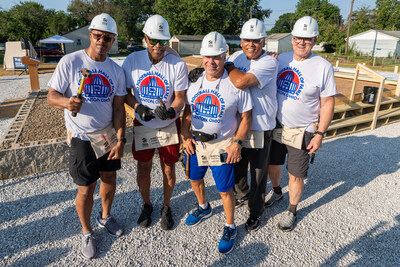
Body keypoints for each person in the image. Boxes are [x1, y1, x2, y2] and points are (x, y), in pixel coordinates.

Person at [47, 13, 126, 259]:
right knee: (85, 187)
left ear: (113, 40)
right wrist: (66, 103)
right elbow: (51, 96)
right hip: (82, 136)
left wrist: (121, 138)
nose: (102, 40)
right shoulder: (70, 62)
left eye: (108, 37)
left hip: (107, 134)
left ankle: (105, 217)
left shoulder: (115, 70)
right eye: (98, 35)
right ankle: (86, 231)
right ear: (90, 35)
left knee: (109, 177)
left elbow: (118, 108)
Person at [181, 32, 252, 254]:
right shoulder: (194, 82)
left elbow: (246, 117)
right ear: (202, 56)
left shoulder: (235, 84)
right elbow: (187, 112)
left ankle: (230, 225)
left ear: (225, 55)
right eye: (207, 56)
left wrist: (237, 143)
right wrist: (185, 137)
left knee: (224, 189)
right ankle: (203, 207)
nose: (211, 62)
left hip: (222, 144)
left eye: (217, 57)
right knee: (195, 179)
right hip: (196, 143)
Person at [267, 16, 336, 231]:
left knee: (296, 173)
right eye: (298, 38)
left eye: (307, 39)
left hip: (303, 130)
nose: (301, 42)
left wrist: (320, 133)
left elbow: (327, 103)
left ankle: (291, 209)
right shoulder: (281, 59)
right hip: (277, 125)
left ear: (314, 40)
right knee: (273, 164)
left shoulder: (323, 67)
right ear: (292, 38)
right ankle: (277, 191)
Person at [122, 15, 188, 231]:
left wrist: (172, 110)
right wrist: (138, 108)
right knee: (143, 167)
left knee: (168, 169)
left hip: (169, 125)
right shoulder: (132, 61)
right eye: (154, 41)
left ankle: (166, 206)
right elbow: (126, 93)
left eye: (163, 41)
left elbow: (180, 97)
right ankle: (147, 204)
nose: (158, 46)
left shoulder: (177, 64)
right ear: (145, 38)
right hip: (143, 124)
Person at [223, 18, 279, 231]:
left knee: (257, 172)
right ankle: (242, 195)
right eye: (247, 39)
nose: (251, 44)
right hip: (237, 125)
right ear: (241, 40)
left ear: (263, 41)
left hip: (260, 126)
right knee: (237, 165)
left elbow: (241, 81)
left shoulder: (268, 62)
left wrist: (229, 66)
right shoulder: (237, 56)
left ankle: (256, 211)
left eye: (256, 40)